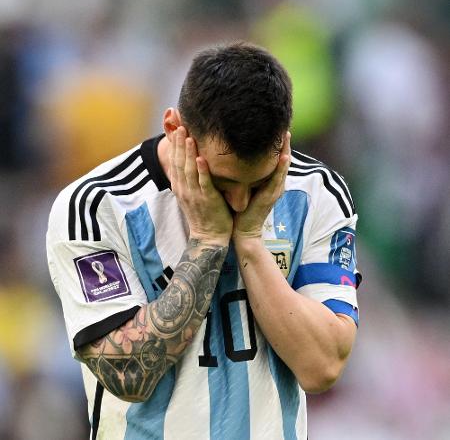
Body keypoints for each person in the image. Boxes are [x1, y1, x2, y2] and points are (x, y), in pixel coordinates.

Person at [46, 42, 361, 440]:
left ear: (282, 143)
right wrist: (208, 241)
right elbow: (127, 375)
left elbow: (322, 368)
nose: (241, 201)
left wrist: (248, 242)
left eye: (259, 182)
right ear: (176, 130)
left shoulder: (317, 192)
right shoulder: (98, 207)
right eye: (223, 181)